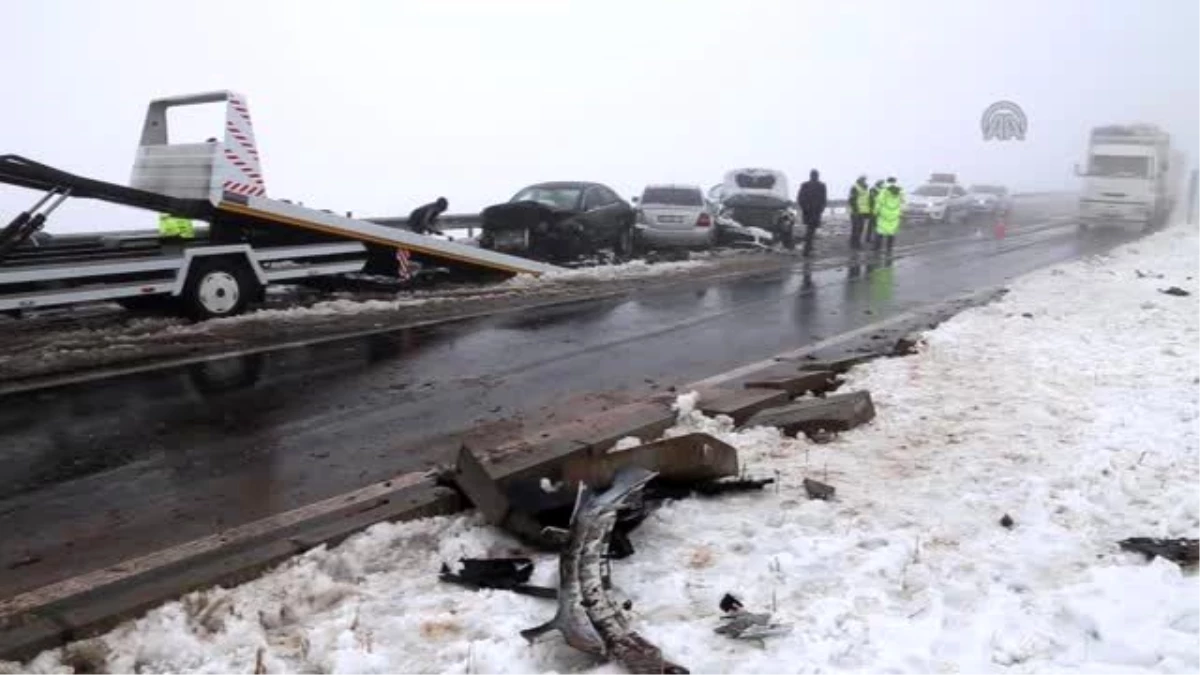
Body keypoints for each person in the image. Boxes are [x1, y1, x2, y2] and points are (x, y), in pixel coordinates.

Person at [796, 169, 827, 257]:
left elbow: (800, 198)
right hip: (813, 212)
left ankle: (808, 248)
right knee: (810, 231)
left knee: (810, 230)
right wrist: (820, 208)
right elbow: (824, 200)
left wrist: (805, 208)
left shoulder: (806, 185)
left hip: (811, 211)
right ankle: (806, 250)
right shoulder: (820, 185)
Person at [873, 177, 904, 256]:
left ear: (888, 182)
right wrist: (901, 212)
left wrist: (875, 211)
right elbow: (903, 202)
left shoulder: (884, 191)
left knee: (880, 231)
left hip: (884, 213)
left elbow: (879, 202)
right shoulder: (900, 191)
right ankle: (889, 248)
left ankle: (877, 248)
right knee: (891, 231)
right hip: (894, 214)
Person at [847, 175, 871, 250]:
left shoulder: (865, 188)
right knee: (856, 228)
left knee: (860, 228)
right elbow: (852, 199)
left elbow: (867, 200)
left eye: (865, 180)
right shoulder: (855, 187)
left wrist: (868, 211)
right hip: (856, 212)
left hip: (863, 211)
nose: (864, 181)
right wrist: (856, 210)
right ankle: (855, 244)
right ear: (859, 180)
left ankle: (854, 242)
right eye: (863, 179)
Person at [865, 179, 885, 247]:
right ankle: (871, 239)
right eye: (881, 183)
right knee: (873, 226)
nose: (882, 185)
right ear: (878, 184)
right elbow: (872, 200)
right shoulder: (873, 190)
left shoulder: (882, 190)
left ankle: (870, 239)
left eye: (883, 183)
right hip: (874, 210)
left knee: (872, 225)